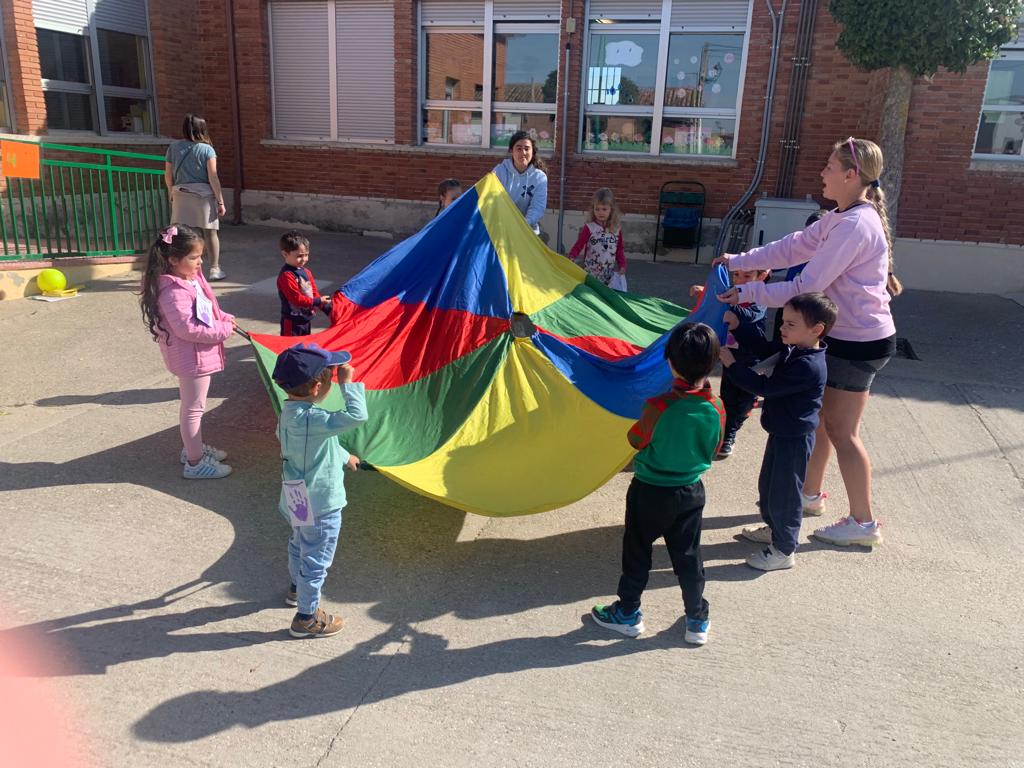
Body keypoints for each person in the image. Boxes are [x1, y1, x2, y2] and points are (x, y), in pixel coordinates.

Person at [716, 137, 901, 547]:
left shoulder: (855, 225)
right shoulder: (841, 216)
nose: (823, 173)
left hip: (859, 343)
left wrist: (748, 293)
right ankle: (805, 496)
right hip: (846, 337)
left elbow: (806, 287)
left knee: (840, 429)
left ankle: (862, 522)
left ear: (852, 175)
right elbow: (793, 246)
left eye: (830, 167)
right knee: (819, 421)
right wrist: (740, 262)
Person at [591, 323, 724, 645]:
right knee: (688, 556)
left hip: (649, 491)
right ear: (713, 363)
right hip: (690, 492)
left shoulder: (658, 406)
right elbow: (716, 448)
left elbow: (636, 440)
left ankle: (627, 613)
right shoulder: (716, 407)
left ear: (670, 363)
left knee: (637, 551)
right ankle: (697, 618)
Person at [720, 293, 836, 570]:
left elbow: (765, 388)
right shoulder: (795, 348)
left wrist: (732, 365)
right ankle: (774, 530)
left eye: (790, 324)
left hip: (794, 437)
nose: (782, 328)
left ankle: (784, 549)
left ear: (816, 329)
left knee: (785, 493)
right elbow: (763, 347)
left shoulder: (808, 365)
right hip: (782, 431)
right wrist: (738, 326)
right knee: (769, 485)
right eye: (783, 322)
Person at [272, 343, 368, 638]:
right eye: (330, 377)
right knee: (316, 557)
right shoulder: (315, 419)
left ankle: (295, 588)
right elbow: (357, 416)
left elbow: (315, 447)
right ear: (317, 387)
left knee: (300, 543)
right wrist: (347, 384)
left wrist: (343, 457)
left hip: (297, 495)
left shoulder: (288, 415)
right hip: (321, 502)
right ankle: (306, 617)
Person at [139, 224, 235, 479]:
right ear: (173, 260)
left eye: (200, 256)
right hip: (192, 357)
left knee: (193, 407)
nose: (200, 262)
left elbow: (208, 308)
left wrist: (224, 317)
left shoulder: (190, 279)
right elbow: (188, 329)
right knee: (193, 409)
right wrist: (223, 330)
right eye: (194, 257)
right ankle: (194, 463)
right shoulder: (172, 291)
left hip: (198, 354)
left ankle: (192, 448)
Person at [691, 266, 771, 458]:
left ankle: (733, 427)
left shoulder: (761, 296)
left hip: (751, 356)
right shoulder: (730, 292)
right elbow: (717, 298)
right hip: (730, 356)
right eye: (736, 275)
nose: (740, 280)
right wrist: (706, 294)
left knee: (744, 399)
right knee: (728, 394)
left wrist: (728, 303)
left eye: (747, 275)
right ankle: (726, 433)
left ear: (762, 276)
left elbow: (751, 315)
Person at [164, 114, 228, 281]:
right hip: (203, 195)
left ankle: (179, 268)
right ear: (203, 129)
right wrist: (220, 201)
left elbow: (168, 175)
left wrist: (171, 192)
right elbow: (213, 177)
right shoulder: (207, 149)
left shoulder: (173, 147)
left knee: (181, 235)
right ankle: (214, 268)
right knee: (210, 233)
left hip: (180, 193)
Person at [567, 187, 627, 286]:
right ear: (593, 209)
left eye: (604, 209)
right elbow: (579, 244)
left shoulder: (616, 230)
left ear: (611, 210)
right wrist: (572, 256)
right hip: (591, 273)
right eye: (597, 209)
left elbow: (619, 249)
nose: (600, 212)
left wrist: (622, 265)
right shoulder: (590, 227)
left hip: (608, 275)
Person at [492, 130, 548, 236]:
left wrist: (523, 224)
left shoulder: (540, 177)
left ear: (533, 152)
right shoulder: (499, 171)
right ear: (511, 151)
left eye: (527, 149)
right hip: (501, 232)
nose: (523, 153)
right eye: (518, 148)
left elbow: (537, 207)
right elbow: (490, 199)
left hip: (527, 233)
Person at [277, 230, 331, 336]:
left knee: (304, 347)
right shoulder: (287, 275)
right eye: (299, 256)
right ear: (285, 254)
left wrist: (327, 309)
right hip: (292, 322)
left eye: (306, 255)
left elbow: (314, 292)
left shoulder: (306, 272)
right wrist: (318, 301)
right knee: (290, 348)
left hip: (306, 319)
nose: (304, 259)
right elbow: (296, 299)